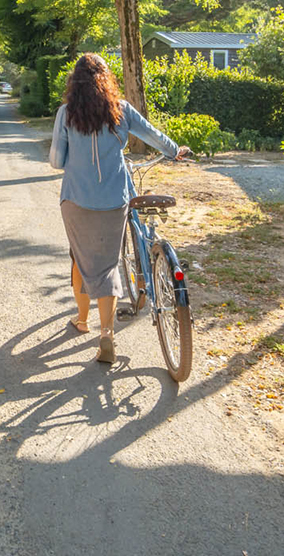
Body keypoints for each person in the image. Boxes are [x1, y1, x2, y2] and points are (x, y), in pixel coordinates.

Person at [48, 54, 190, 364]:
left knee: (80, 256)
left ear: (75, 83)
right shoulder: (121, 110)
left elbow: (57, 161)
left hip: (76, 199)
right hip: (114, 200)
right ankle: (107, 334)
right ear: (106, 81)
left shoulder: (66, 113)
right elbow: (154, 136)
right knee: (108, 264)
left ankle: (82, 320)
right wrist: (174, 151)